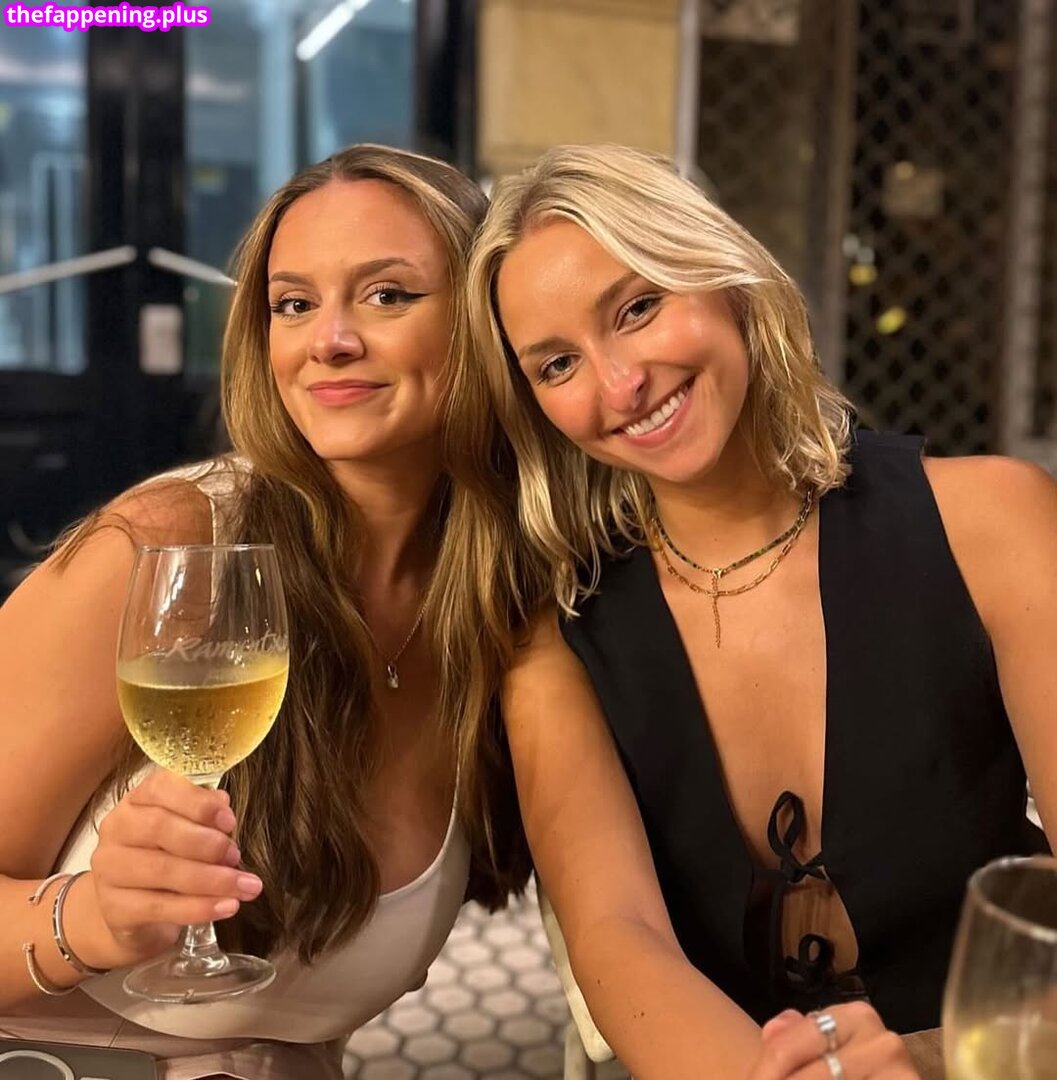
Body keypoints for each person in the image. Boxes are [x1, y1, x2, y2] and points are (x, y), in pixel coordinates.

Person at [466, 143, 1056, 1080]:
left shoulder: (993, 522)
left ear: (722, 277)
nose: (619, 385)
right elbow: (618, 938)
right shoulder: (557, 630)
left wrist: (929, 1060)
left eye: (637, 307)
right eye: (557, 364)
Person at [0, 144, 533, 1079]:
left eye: (387, 295)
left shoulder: (505, 604)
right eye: (293, 304)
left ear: (488, 324)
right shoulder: (164, 550)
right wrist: (91, 917)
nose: (329, 340)